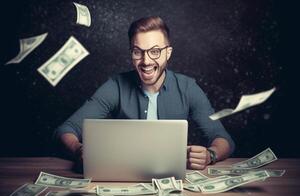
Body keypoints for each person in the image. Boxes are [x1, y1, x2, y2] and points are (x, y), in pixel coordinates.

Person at [54, 16, 235, 170]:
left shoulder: (188, 88)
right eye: (137, 52)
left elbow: (223, 139)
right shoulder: (115, 86)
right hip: (122, 177)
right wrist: (79, 150)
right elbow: (65, 130)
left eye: (155, 51)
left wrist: (210, 155)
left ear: (168, 53)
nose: (146, 61)